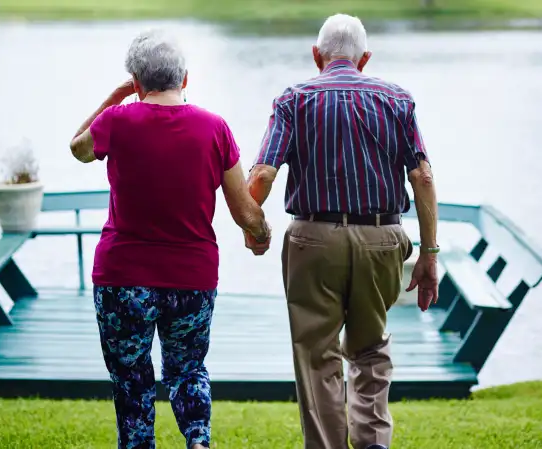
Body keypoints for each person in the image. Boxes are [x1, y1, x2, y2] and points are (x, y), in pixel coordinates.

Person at [245, 14, 440, 449]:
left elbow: (262, 175)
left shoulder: (293, 100)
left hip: (313, 240)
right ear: (365, 59)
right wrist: (429, 253)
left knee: (317, 358)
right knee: (370, 348)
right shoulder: (397, 99)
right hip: (381, 239)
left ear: (317, 56)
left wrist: (251, 225)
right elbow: (423, 178)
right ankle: (372, 442)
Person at [69, 29, 271, 449]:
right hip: (191, 278)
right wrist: (260, 233)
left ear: (137, 82)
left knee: (131, 376)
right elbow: (243, 211)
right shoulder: (214, 128)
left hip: (122, 277)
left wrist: (117, 96)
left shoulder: (117, 121)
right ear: (185, 79)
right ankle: (197, 440)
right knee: (187, 369)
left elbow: (79, 149)